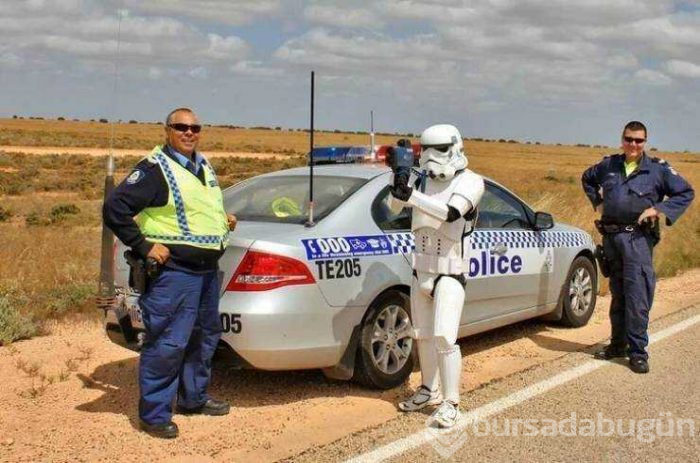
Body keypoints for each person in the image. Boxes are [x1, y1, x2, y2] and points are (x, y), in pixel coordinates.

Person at [103, 107, 237, 438]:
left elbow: (193, 211)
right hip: (174, 273)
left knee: (203, 338)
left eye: (195, 127)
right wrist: (144, 245)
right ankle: (155, 414)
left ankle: (193, 399)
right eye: (181, 127)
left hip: (206, 272)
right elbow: (114, 208)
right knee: (168, 342)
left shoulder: (202, 165)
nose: (189, 132)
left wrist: (224, 220)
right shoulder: (155, 170)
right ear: (167, 130)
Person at [388, 124, 484, 428]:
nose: (430, 157)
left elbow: (449, 213)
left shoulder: (471, 181)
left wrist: (411, 195)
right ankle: (428, 390)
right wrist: (399, 177)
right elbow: (393, 207)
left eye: (438, 149)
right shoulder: (421, 180)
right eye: (424, 150)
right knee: (423, 336)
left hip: (450, 271)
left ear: (455, 147)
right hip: (421, 270)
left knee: (444, 336)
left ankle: (451, 401)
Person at [581, 121, 694, 374]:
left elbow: (685, 192)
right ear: (622, 139)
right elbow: (587, 179)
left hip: (637, 241)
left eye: (639, 140)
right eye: (629, 139)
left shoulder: (657, 170)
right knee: (618, 295)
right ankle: (617, 345)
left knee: (637, 296)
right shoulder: (608, 165)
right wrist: (597, 203)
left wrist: (658, 209)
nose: (633, 145)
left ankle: (638, 352)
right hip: (611, 240)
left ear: (645, 142)